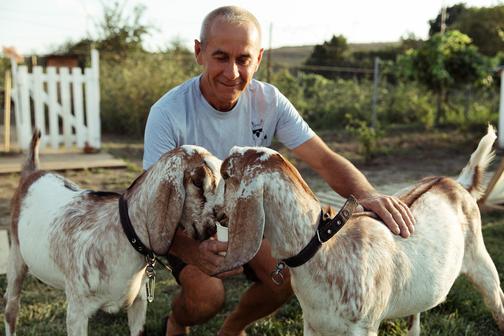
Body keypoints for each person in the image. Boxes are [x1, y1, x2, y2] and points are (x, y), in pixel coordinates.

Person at [143, 6, 415, 336]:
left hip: (250, 214)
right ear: (199, 52)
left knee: (285, 278)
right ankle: (176, 322)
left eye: (243, 59)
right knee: (205, 299)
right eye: (220, 57)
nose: (232, 72)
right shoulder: (168, 113)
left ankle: (232, 329)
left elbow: (324, 159)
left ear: (258, 58)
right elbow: (153, 206)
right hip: (192, 224)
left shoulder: (269, 101)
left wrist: (368, 194)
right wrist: (192, 251)